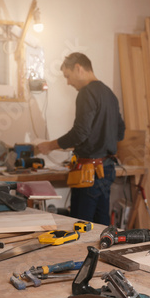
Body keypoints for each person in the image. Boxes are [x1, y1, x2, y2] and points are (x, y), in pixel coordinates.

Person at [36, 52, 125, 225]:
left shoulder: (86, 92)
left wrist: (50, 145)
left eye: (68, 77)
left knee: (80, 226)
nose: (68, 83)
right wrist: (101, 139)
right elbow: (120, 131)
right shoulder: (109, 94)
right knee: (101, 225)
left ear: (79, 68)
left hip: (88, 174)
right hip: (106, 170)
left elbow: (80, 132)